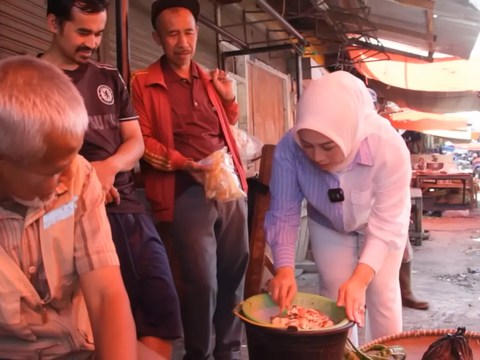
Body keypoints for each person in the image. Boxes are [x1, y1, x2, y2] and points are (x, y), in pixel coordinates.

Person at [38, 0, 183, 358]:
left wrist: (109, 168)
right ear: (53, 23)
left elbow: (135, 143)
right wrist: (85, 179)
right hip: (63, 213)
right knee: (85, 321)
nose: (92, 42)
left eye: (99, 32)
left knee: (159, 304)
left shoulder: (108, 77)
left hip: (126, 207)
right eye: (83, 32)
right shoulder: (30, 80)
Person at [0, 56, 167, 360]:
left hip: (81, 343)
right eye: (48, 172)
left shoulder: (80, 175)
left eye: (68, 163)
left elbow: (106, 297)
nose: (63, 181)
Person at [130, 1, 249, 359]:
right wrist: (185, 164)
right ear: (156, 37)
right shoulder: (143, 83)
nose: (183, 42)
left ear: (197, 32)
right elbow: (142, 141)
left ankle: (228, 350)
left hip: (226, 184)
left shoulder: (210, 79)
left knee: (235, 270)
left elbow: (227, 123)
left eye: (189, 32)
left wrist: (229, 99)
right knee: (202, 279)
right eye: (172, 34)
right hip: (184, 190)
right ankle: (199, 352)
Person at [265, 71, 411, 345]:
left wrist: (360, 279)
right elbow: (283, 211)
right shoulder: (289, 147)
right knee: (335, 295)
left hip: (379, 225)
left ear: (349, 132)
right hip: (328, 222)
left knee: (381, 293)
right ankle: (343, 353)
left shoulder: (389, 147)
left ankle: (386, 353)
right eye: (307, 145)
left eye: (327, 147)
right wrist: (284, 267)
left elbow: (386, 224)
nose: (317, 156)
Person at [369, 89, 429, 310]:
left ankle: (406, 292)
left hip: (388, 200)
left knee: (400, 247)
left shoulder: (389, 135)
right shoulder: (349, 132)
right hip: (357, 203)